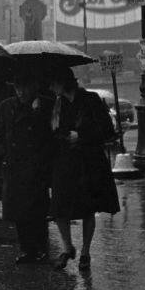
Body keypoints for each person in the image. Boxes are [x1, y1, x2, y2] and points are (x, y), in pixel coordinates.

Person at [48, 65, 120, 271]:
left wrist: (81, 137)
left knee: (88, 208)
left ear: (63, 83)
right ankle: (67, 247)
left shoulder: (90, 100)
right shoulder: (57, 104)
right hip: (65, 163)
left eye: (54, 83)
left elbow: (107, 130)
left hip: (88, 162)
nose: (51, 87)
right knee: (59, 208)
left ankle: (85, 252)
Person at [0, 70, 55, 265]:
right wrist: (2, 155)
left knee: (36, 211)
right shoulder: (6, 106)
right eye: (18, 88)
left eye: (25, 88)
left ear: (33, 88)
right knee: (18, 211)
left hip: (35, 166)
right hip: (13, 166)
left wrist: (37, 112)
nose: (21, 92)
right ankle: (28, 249)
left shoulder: (45, 105)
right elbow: (0, 132)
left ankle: (41, 249)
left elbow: (50, 136)